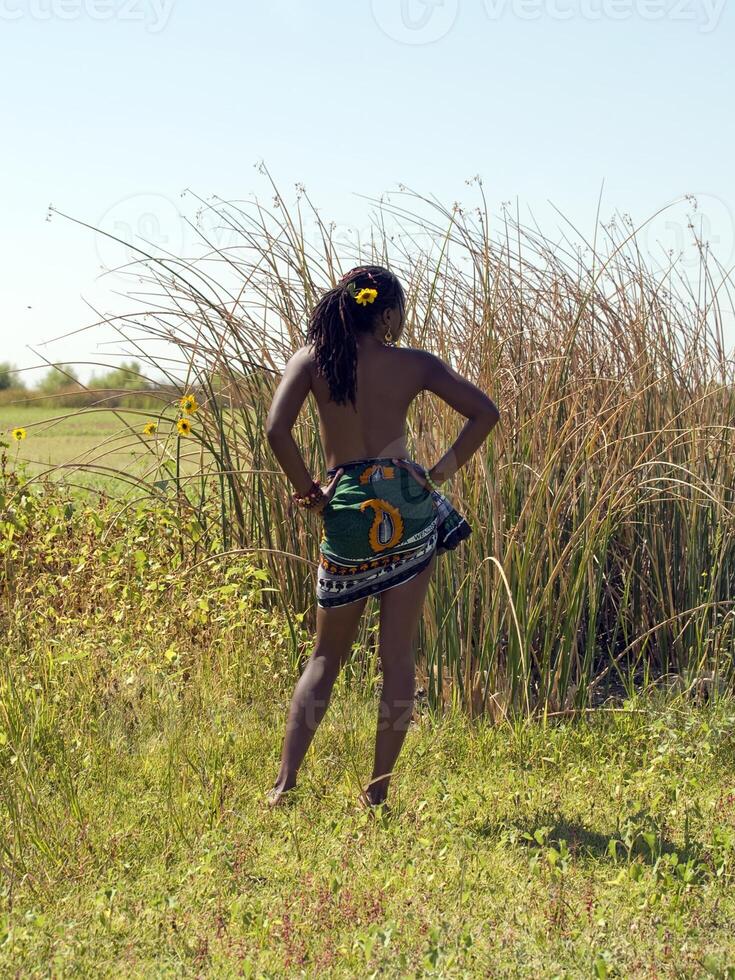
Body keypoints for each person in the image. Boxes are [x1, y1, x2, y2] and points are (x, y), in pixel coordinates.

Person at [264, 265, 499, 810]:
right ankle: (376, 793)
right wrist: (438, 473)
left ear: (344, 307)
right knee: (397, 656)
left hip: (346, 503)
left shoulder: (313, 360)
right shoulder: (414, 364)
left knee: (324, 657)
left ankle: (284, 784)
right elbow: (485, 413)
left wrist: (309, 492)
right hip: (406, 501)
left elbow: (276, 431)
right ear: (387, 313)